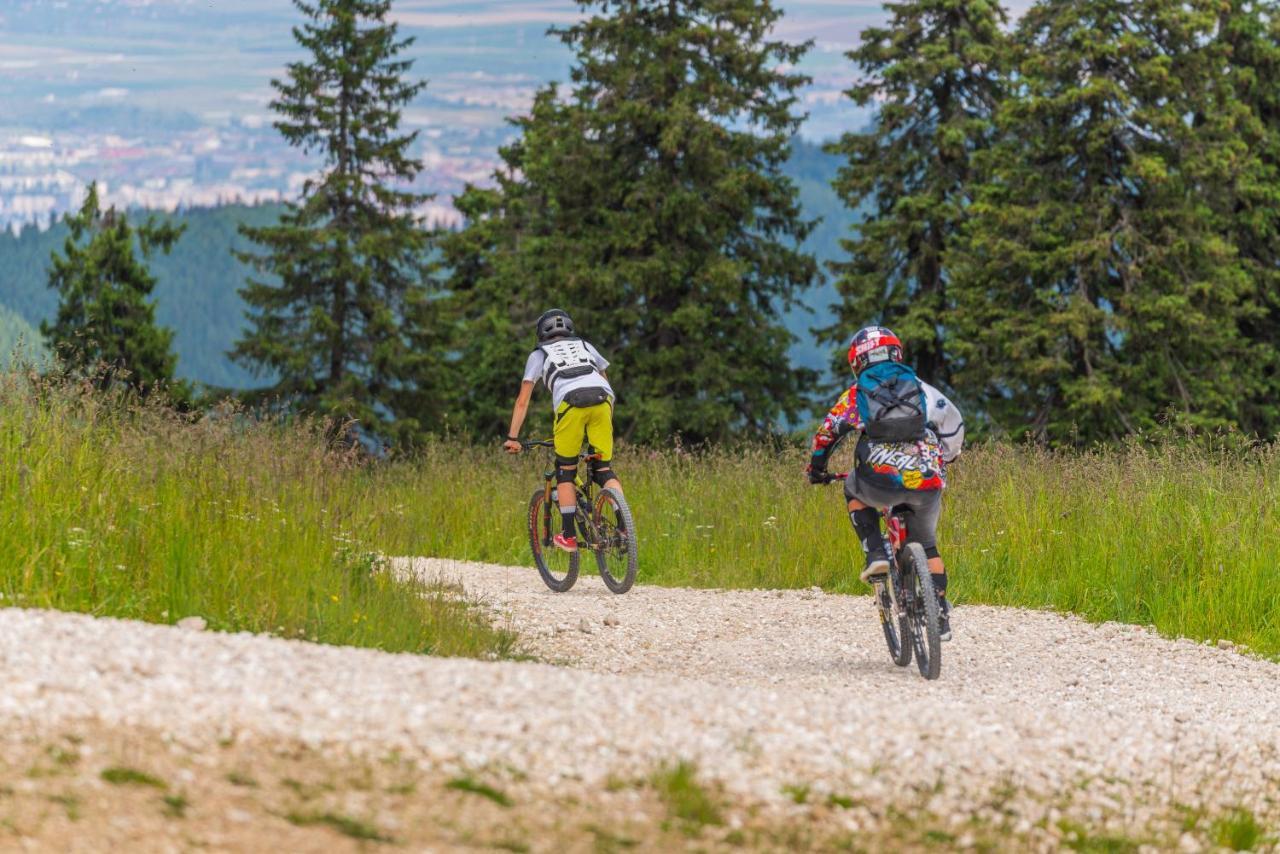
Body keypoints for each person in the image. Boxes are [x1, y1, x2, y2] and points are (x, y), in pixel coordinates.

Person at [805, 326, 964, 639]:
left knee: (852, 486)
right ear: (897, 353)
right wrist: (946, 456)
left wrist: (817, 470)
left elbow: (826, 435)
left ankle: (876, 553)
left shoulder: (856, 394)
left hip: (879, 480)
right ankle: (941, 614)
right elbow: (953, 422)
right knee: (927, 544)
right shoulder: (920, 387)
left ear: (856, 362)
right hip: (926, 478)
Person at [503, 309, 622, 552]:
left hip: (571, 401)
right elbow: (605, 381)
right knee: (603, 469)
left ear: (541, 334)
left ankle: (568, 535)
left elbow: (522, 401)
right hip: (603, 400)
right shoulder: (585, 345)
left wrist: (512, 438)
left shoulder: (538, 355)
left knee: (565, 471)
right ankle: (623, 527)